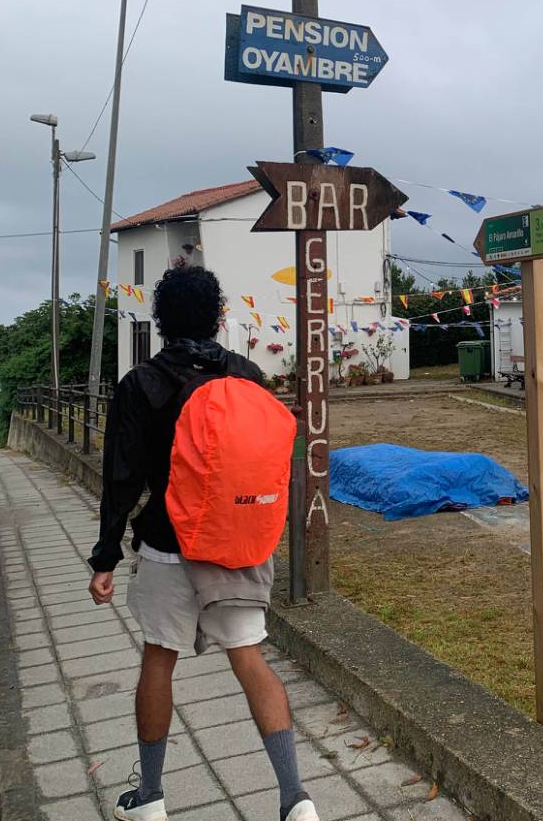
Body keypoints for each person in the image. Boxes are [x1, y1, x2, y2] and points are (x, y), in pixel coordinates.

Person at [88, 267, 318, 821]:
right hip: (236, 544)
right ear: (218, 316)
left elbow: (121, 477)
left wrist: (106, 558)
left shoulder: (141, 383)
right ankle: (295, 799)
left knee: (158, 660)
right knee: (249, 659)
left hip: (168, 547)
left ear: (160, 319)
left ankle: (150, 799)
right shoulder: (247, 375)